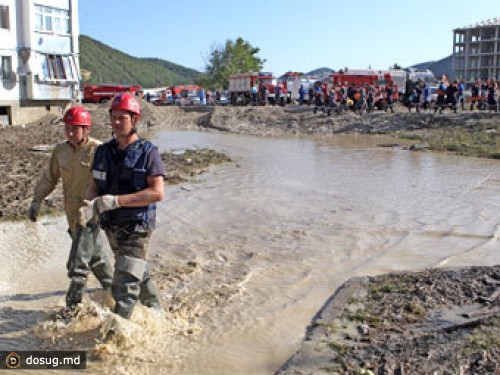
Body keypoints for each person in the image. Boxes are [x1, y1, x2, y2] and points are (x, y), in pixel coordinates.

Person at [79, 93, 165, 319]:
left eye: (122, 118)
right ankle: (156, 312)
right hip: (112, 227)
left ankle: (115, 338)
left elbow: (157, 192)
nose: (116, 123)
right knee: (136, 270)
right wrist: (88, 206)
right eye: (113, 117)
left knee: (125, 286)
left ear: (134, 120)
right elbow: (94, 185)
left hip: (138, 226)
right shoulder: (103, 152)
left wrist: (116, 201)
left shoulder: (148, 153)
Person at [29, 107, 113, 309]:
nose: (70, 133)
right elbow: (50, 178)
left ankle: (72, 310)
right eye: (67, 128)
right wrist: (36, 200)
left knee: (77, 264)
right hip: (71, 215)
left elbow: (110, 182)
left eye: (75, 129)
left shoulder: (99, 150)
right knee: (95, 258)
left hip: (92, 215)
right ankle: (115, 293)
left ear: (86, 129)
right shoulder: (61, 151)